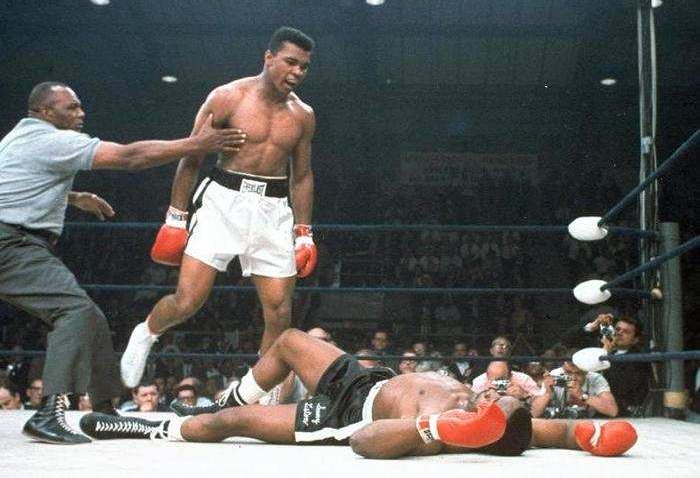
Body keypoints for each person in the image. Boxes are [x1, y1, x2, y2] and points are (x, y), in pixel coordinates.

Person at [0, 81, 244, 444]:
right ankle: (48, 411)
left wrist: (72, 196)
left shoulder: (19, 137)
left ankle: (104, 410)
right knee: (75, 313)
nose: (81, 113)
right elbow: (130, 157)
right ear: (45, 112)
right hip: (13, 244)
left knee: (93, 318)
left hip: (16, 240)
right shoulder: (55, 141)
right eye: (72, 107)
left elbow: (17, 180)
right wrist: (196, 145)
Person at [80, 329, 638, 459]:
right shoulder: (501, 414)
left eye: (499, 403)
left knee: (232, 426)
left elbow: (365, 443)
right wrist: (593, 435)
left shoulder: (460, 429)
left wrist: (440, 430)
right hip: (370, 379)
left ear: (487, 427)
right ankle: (227, 397)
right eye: (500, 397)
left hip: (349, 411)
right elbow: (567, 431)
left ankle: (140, 424)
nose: (494, 394)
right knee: (292, 340)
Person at [121, 26, 318, 389]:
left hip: (274, 210)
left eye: (304, 67)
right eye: (291, 62)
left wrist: (303, 232)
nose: (297, 73)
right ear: (269, 57)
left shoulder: (303, 114)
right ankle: (146, 333)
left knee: (279, 311)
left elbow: (302, 176)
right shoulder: (228, 97)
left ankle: (258, 392)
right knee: (188, 300)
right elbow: (191, 158)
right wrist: (176, 217)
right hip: (223, 203)